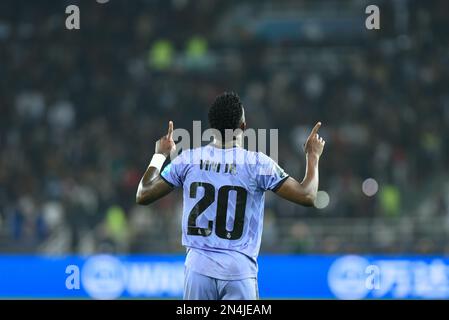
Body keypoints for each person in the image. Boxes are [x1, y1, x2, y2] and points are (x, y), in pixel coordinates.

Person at [136, 92, 325, 300]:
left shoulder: (188, 160)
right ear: (243, 126)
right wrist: (313, 156)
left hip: (198, 269)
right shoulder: (257, 164)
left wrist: (160, 155)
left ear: (211, 128)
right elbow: (308, 195)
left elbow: (143, 194)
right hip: (239, 271)